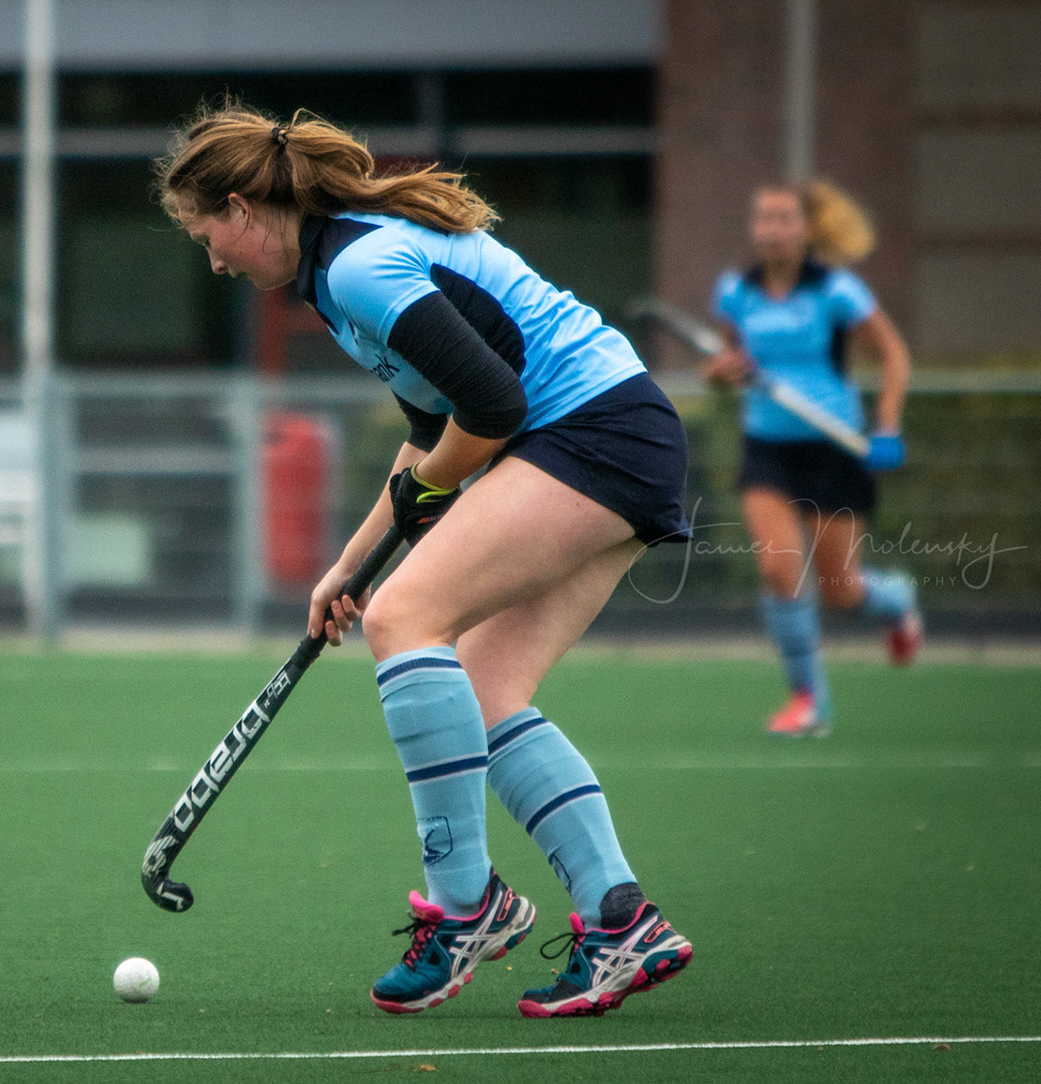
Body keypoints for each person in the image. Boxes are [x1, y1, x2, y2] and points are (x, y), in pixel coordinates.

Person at [157, 106, 693, 1019]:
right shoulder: (335, 278)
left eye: (209, 238)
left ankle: (465, 907)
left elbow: (493, 407)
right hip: (609, 437)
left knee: (407, 619)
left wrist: (425, 501)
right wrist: (350, 566)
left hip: (594, 433)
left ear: (242, 208)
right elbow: (435, 428)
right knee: (482, 689)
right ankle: (621, 922)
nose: (214, 262)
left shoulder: (359, 267)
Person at [705, 181, 919, 738]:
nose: (772, 229)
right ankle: (809, 700)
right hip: (766, 447)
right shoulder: (736, 293)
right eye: (763, 218)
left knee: (840, 590)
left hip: (834, 446)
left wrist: (887, 427)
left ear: (806, 229)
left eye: (784, 218)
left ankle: (896, 602)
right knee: (779, 572)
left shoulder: (837, 292)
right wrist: (723, 373)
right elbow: (727, 365)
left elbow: (893, 354)